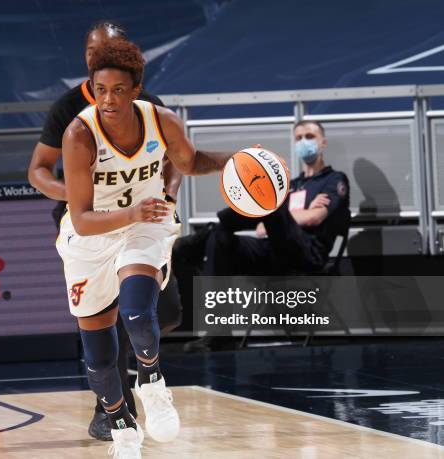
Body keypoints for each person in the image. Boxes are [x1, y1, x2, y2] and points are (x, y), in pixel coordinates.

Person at [58, 39, 235, 457]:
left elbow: (190, 163)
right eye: (100, 90)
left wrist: (237, 159)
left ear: (136, 90)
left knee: (138, 313)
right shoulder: (79, 134)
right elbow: (82, 218)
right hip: (90, 238)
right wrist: (133, 213)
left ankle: (152, 382)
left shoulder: (162, 121)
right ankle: (122, 429)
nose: (108, 99)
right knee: (100, 359)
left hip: (145, 227)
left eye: (118, 90)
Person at [27, 21, 182, 442]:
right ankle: (112, 411)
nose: (103, 59)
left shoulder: (146, 104)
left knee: (157, 315)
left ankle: (147, 379)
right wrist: (81, 194)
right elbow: (37, 170)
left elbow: (175, 160)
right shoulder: (68, 112)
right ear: (87, 60)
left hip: (141, 220)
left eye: (112, 50)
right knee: (104, 323)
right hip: (90, 226)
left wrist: (167, 196)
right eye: (96, 54)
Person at [181, 120, 351, 352]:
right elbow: (261, 229)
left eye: (310, 136)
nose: (304, 142)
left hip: (307, 254)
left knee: (271, 196)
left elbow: (315, 218)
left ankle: (210, 229)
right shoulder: (292, 184)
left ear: (323, 142)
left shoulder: (334, 180)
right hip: (274, 249)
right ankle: (219, 335)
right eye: (299, 138)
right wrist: (297, 212)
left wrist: (289, 213)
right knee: (220, 239)